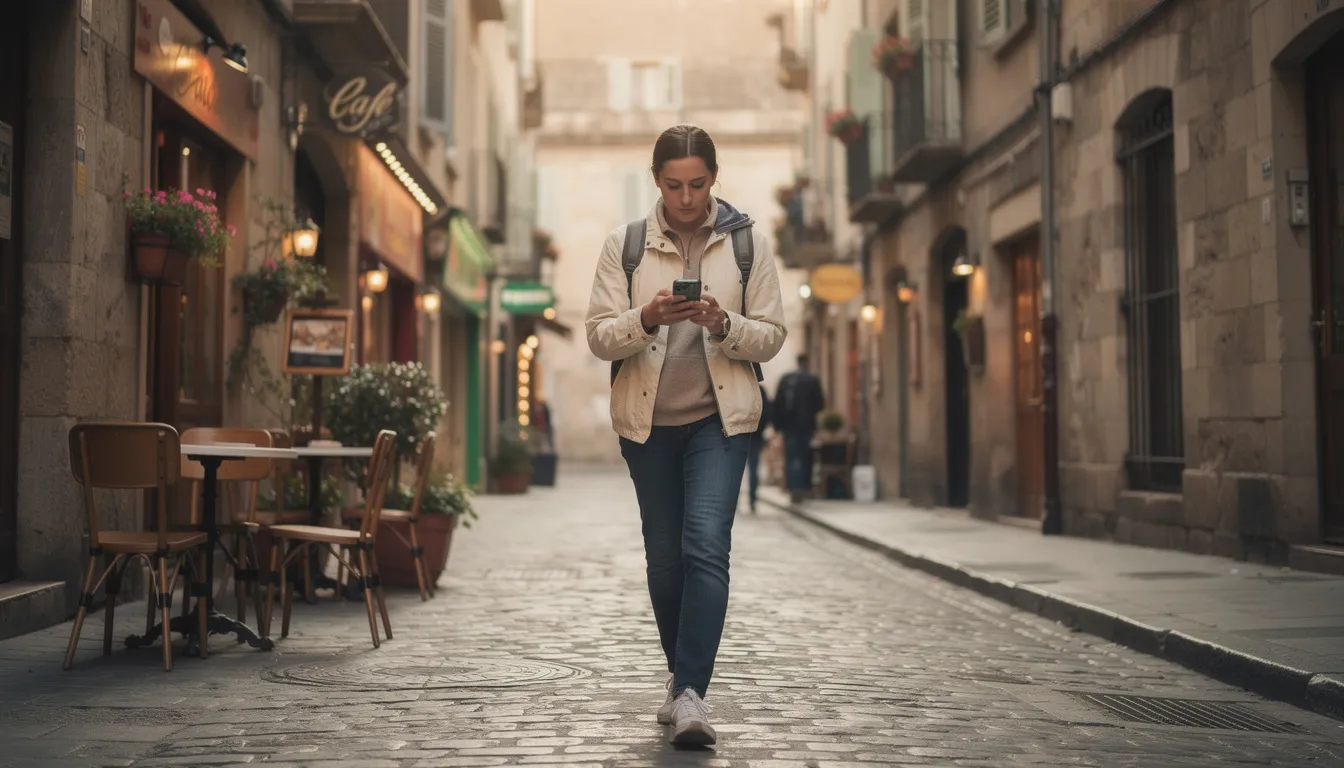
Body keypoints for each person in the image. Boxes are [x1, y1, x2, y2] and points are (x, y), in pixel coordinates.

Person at [585, 124, 786, 746]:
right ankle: (680, 681)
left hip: (720, 424)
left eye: (698, 184)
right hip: (647, 427)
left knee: (705, 547)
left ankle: (693, 692)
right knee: (665, 559)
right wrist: (647, 317)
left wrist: (725, 324)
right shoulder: (625, 246)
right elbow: (598, 335)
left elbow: (772, 336)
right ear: (657, 181)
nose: (687, 198)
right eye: (674, 185)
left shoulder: (748, 244)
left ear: (714, 179)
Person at [772, 354, 825, 504]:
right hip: (806, 426)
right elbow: (820, 404)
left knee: (791, 457)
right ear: (807, 362)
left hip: (788, 426)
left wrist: (777, 426)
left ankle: (793, 488)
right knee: (806, 456)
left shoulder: (786, 379)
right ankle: (804, 488)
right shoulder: (812, 380)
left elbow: (777, 404)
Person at [745, 384, 771, 513]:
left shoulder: (740, 387)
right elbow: (767, 413)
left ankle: (734, 501)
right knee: (753, 468)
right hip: (755, 435)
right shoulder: (761, 390)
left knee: (734, 468)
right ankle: (752, 499)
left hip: (739, 434)